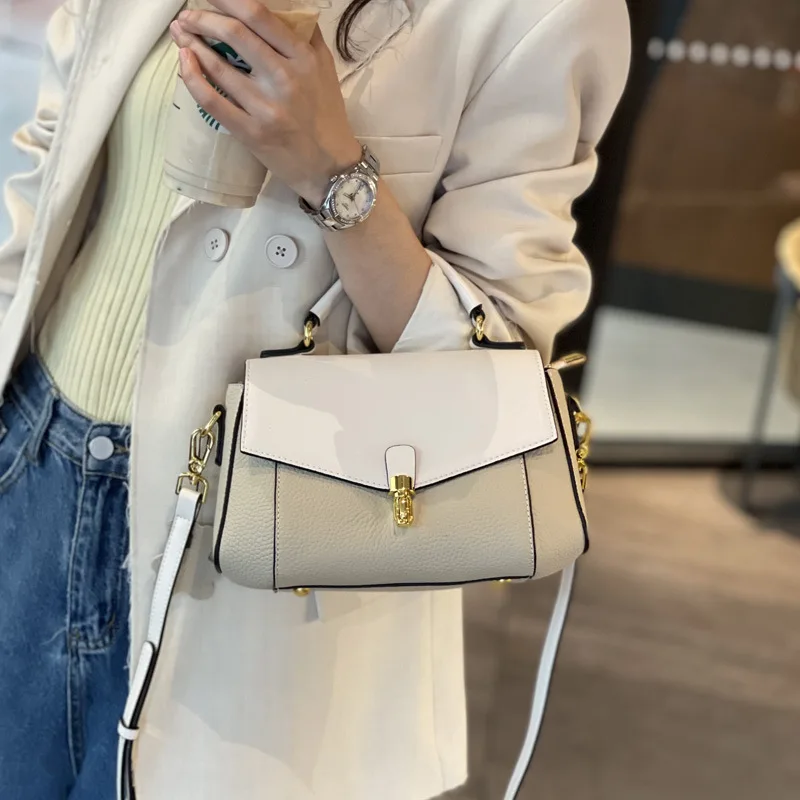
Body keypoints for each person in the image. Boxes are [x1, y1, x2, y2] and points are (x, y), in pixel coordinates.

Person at [0, 0, 630, 797]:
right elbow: (53, 150)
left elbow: (492, 372)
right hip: (32, 462)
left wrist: (331, 172)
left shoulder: (539, 15)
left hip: (261, 550)